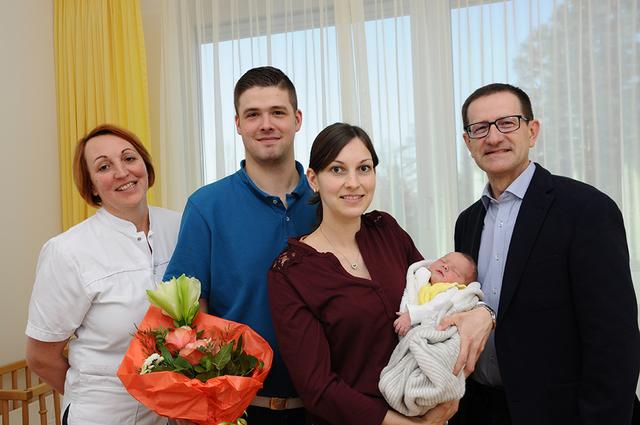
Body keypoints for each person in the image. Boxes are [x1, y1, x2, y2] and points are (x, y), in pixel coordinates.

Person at [268, 123, 494, 425]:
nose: (353, 183)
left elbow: (443, 292)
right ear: (313, 179)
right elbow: (317, 388)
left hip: (425, 406)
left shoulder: (386, 231)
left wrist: (483, 313)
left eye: (364, 168)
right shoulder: (291, 272)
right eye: (337, 170)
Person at [450, 83, 640, 425]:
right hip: (482, 411)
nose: (493, 137)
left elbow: (614, 340)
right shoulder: (467, 222)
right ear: (468, 142)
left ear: (532, 131)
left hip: (562, 413)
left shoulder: (586, 210)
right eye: (479, 128)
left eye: (507, 123)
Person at [163, 66, 316, 425]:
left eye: (277, 112)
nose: (266, 124)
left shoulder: (326, 201)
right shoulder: (206, 206)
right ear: (237, 124)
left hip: (323, 408)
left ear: (297, 119)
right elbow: (183, 315)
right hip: (237, 410)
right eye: (253, 115)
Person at [25, 124, 181, 425]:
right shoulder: (68, 251)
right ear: (92, 186)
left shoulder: (181, 227)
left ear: (145, 166)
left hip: (171, 413)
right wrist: (95, 392)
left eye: (129, 158)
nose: (122, 172)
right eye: (104, 167)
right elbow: (41, 357)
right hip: (104, 414)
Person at [394, 252, 478, 337]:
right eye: (443, 261)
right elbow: (408, 293)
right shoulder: (421, 279)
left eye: (455, 271)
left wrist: (411, 316)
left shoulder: (451, 290)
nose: (445, 266)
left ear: (462, 285)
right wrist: (403, 311)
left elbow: (435, 307)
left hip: (434, 332)